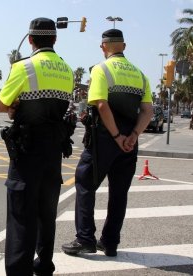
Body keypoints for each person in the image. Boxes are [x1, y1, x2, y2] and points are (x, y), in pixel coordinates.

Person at [61, 29, 153, 257]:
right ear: (124, 46)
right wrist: (132, 136)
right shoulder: (141, 75)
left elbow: (101, 105)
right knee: (119, 193)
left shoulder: (101, 70)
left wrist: (116, 136)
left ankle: (85, 238)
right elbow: (147, 111)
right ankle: (110, 242)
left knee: (85, 183)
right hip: (129, 144)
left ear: (103, 46)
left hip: (104, 140)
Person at [0, 18, 74, 276]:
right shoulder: (66, 70)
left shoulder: (23, 67)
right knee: (46, 210)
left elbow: (1, 104)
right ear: (55, 39)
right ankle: (44, 265)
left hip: (27, 149)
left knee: (21, 212)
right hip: (53, 151)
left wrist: (15, 107)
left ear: (30, 40)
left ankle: (19, 270)